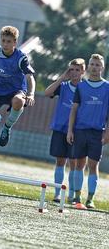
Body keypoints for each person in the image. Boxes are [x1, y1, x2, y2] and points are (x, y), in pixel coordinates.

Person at [67, 54, 109, 209]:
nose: (94, 67)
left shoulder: (107, 87)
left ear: (102, 68)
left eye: (98, 65)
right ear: (88, 66)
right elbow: (74, 109)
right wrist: (70, 130)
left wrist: (107, 133)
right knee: (79, 164)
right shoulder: (81, 86)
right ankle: (77, 197)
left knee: (93, 165)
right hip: (80, 131)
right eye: (92, 64)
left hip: (97, 133)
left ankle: (90, 199)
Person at [45, 58, 86, 203]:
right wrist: (61, 78)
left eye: (77, 70)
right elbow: (47, 92)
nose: (74, 72)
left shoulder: (85, 88)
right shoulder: (63, 86)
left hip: (77, 131)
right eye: (71, 69)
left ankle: (71, 196)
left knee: (73, 163)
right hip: (60, 129)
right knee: (60, 161)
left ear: (83, 71)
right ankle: (57, 193)